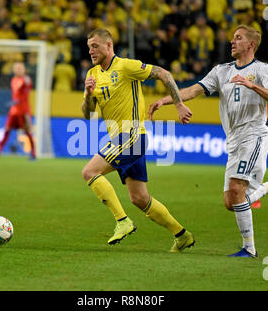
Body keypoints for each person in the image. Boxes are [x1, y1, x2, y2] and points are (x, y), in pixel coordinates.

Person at [148, 25, 268, 258]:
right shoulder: (221, 71)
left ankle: (250, 249)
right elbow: (194, 90)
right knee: (231, 201)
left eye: (238, 38)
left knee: (237, 190)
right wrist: (166, 101)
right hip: (234, 141)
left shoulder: (261, 69)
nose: (232, 42)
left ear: (251, 45)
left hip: (254, 136)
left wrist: (253, 85)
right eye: (232, 38)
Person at [81, 28, 194, 252]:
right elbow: (88, 114)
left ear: (109, 45)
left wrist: (179, 104)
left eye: (95, 46)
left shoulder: (126, 66)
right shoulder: (92, 74)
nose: (91, 51)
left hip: (132, 136)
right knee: (140, 198)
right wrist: (87, 95)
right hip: (119, 139)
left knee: (89, 172)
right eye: (89, 47)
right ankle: (182, 235)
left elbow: (164, 74)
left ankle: (123, 222)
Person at [0, 62, 36, 160]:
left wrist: (19, 103)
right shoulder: (14, 80)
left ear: (24, 70)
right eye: (16, 68)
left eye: (20, 68)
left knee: (28, 132)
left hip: (23, 111)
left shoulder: (26, 80)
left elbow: (25, 92)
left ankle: (33, 154)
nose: (18, 70)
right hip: (14, 111)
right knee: (6, 130)